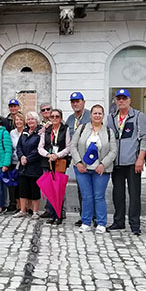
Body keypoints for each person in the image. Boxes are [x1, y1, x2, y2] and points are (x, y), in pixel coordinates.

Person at [106, 89, 146, 235]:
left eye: (124, 98)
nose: (121, 101)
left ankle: (135, 224)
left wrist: (140, 158)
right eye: (119, 99)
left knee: (134, 194)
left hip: (132, 162)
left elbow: (144, 138)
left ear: (129, 100)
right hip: (117, 162)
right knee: (117, 194)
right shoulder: (111, 118)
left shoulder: (138, 116)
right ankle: (119, 222)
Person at [70, 104, 118, 233]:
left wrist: (103, 164)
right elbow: (73, 146)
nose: (97, 116)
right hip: (83, 169)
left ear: (103, 116)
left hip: (101, 170)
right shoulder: (82, 128)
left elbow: (113, 151)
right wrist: (78, 162)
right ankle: (86, 222)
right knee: (86, 196)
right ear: (90, 115)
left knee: (99, 196)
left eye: (99, 113)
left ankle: (101, 223)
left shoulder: (108, 132)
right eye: (95, 113)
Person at [38, 109, 71, 224]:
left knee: (58, 190)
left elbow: (68, 147)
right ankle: (51, 214)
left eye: (57, 116)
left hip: (59, 162)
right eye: (52, 117)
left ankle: (58, 215)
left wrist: (57, 155)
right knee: (49, 190)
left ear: (61, 118)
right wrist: (48, 155)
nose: (55, 119)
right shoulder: (46, 130)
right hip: (47, 162)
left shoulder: (65, 129)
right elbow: (40, 147)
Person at [65, 92, 91, 227]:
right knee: (81, 189)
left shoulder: (90, 116)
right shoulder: (70, 119)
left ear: (83, 102)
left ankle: (96, 216)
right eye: (73, 101)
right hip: (76, 158)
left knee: (92, 189)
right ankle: (84, 216)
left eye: (78, 101)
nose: (75, 104)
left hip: (90, 158)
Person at [15, 111, 42, 218]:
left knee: (34, 189)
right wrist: (21, 156)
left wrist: (28, 158)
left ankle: (35, 211)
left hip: (34, 165)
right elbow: (19, 146)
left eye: (32, 119)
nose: (30, 121)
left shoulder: (40, 132)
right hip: (23, 165)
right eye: (29, 119)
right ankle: (23, 210)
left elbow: (38, 148)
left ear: (36, 121)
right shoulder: (25, 131)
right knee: (23, 188)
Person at [8, 111, 26, 212]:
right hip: (14, 161)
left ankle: (25, 206)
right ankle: (16, 205)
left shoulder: (27, 131)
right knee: (14, 185)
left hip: (24, 162)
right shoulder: (12, 133)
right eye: (17, 120)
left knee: (23, 185)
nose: (18, 122)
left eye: (20, 120)